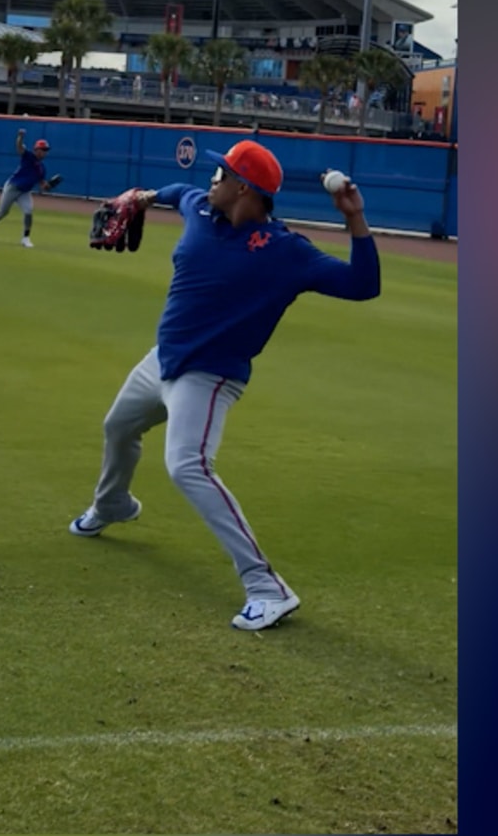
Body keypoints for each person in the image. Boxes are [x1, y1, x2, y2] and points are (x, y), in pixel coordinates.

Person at [66, 139, 379, 630]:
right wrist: (145, 197)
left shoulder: (285, 251)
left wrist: (354, 218)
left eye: (222, 174)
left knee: (187, 465)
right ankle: (113, 504)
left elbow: (363, 285)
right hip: (162, 360)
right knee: (118, 427)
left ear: (244, 189)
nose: (211, 180)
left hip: (209, 377)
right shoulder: (200, 208)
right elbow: (177, 190)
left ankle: (267, 588)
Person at [0, 129, 53, 247]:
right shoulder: (28, 156)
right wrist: (20, 137)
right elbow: (19, 147)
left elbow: (42, 184)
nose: (45, 153)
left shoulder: (42, 168)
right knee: (3, 212)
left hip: (24, 192)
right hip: (13, 187)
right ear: (36, 150)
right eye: (43, 150)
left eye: (46, 150)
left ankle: (25, 238)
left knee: (28, 211)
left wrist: (48, 186)